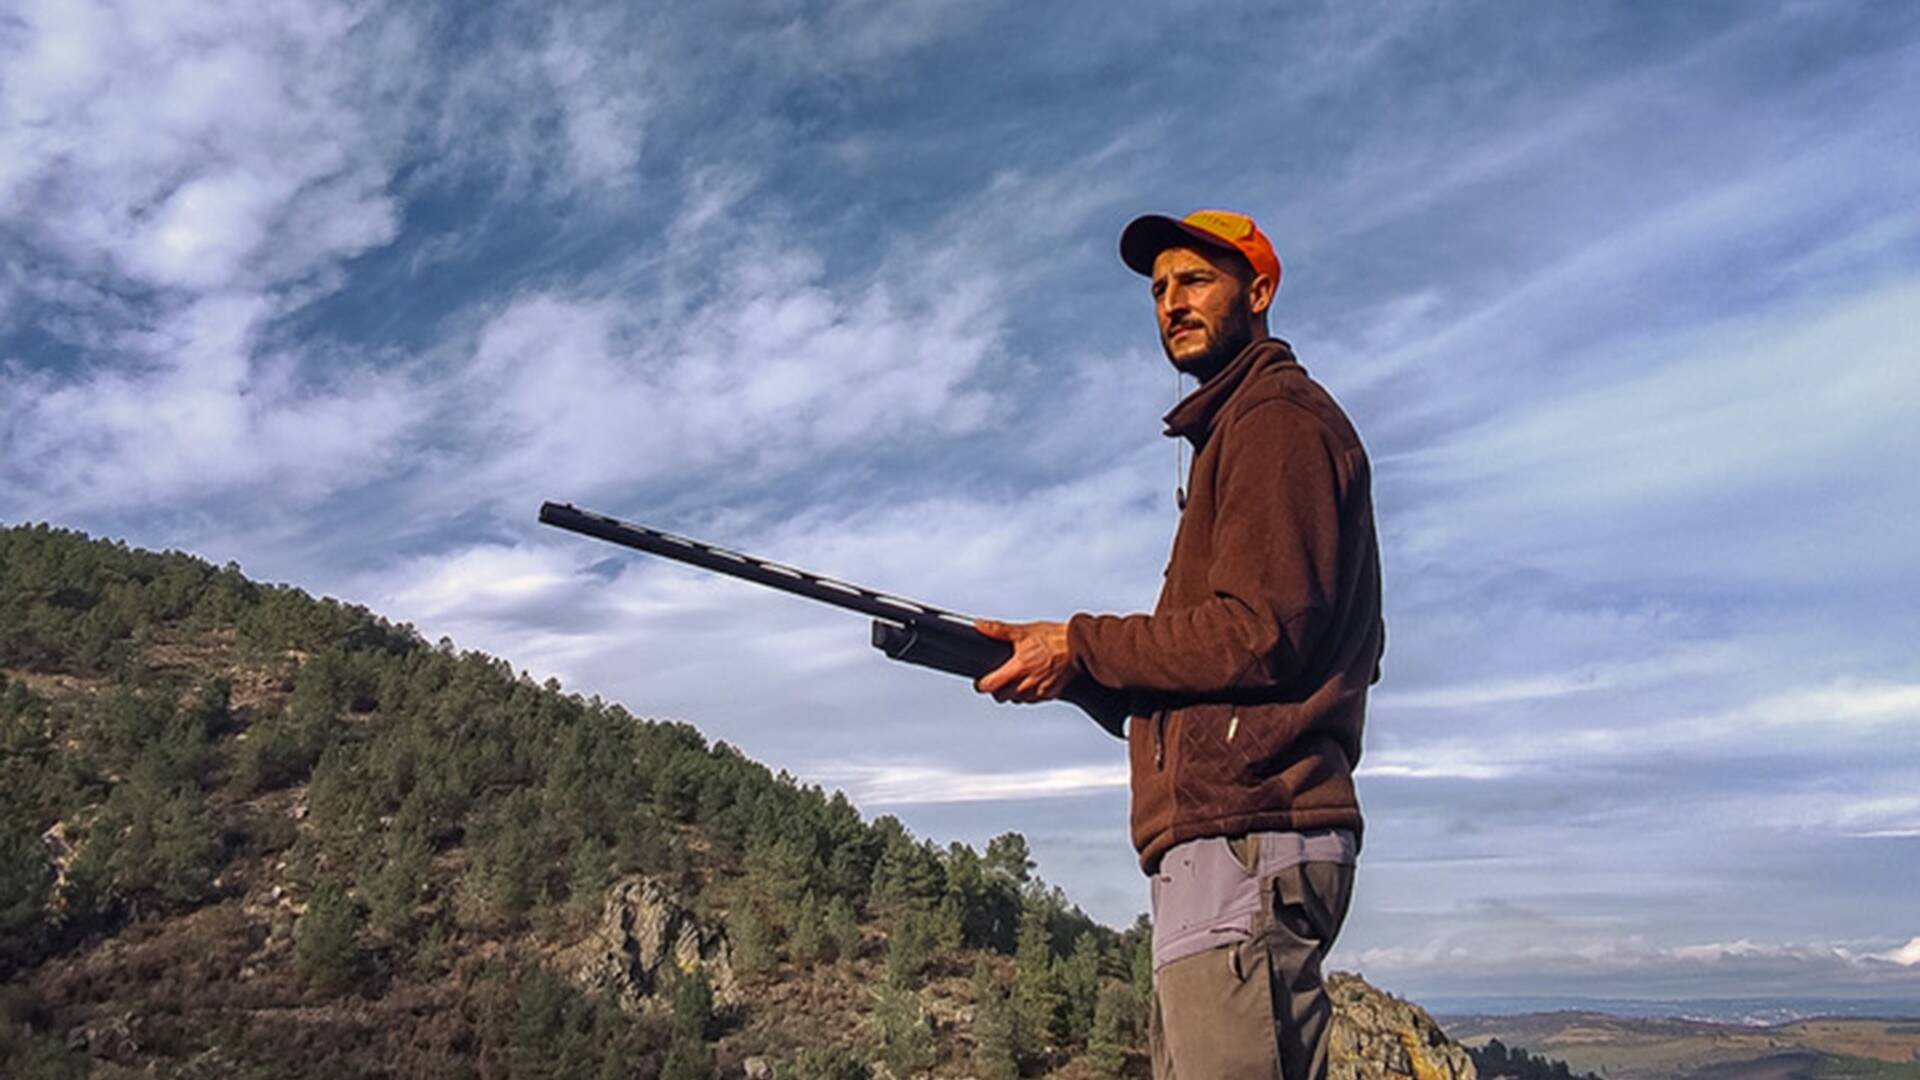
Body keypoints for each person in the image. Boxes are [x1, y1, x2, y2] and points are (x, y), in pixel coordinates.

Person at [973, 209, 1385, 1079]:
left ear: (1259, 292)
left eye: (1195, 281)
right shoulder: (1232, 434)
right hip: (1227, 842)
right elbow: (1227, 660)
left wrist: (1081, 644)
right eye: (1159, 290)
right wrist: (1074, 673)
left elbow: (1259, 630)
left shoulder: (1274, 420)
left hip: (1247, 833)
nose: (1170, 303)